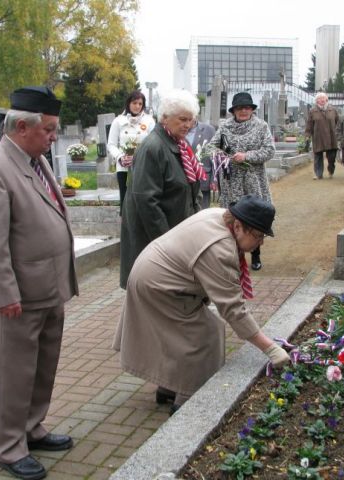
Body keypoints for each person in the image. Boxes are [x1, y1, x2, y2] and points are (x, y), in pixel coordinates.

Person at [0, 86, 77, 480]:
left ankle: (32, 427)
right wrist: (3, 294)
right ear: (20, 126)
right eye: (48, 130)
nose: (53, 138)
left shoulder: (35, 160)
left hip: (48, 289)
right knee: (14, 374)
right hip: (18, 297)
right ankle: (10, 447)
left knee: (43, 367)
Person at [113, 195, 290, 413]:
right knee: (206, 333)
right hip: (159, 285)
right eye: (258, 235)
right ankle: (188, 399)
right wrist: (270, 348)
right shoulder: (221, 249)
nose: (260, 242)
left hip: (152, 272)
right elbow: (233, 309)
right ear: (237, 226)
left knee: (179, 334)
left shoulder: (218, 215)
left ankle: (168, 388)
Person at [119, 89, 204, 289]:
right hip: (158, 244)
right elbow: (146, 201)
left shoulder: (180, 145)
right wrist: (168, 243)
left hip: (177, 236)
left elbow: (191, 187)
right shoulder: (154, 147)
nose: (188, 125)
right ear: (164, 118)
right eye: (182, 119)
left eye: (191, 120)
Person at [206, 92, 275, 271]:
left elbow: (269, 151)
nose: (243, 111)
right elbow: (211, 147)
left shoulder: (261, 126)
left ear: (252, 109)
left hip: (253, 179)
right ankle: (233, 256)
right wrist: (224, 156)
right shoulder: (225, 127)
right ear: (234, 111)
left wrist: (247, 156)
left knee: (254, 218)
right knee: (232, 217)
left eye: (246, 108)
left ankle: (256, 254)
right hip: (230, 181)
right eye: (239, 108)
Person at [107, 90, 156, 213]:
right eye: (134, 103)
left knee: (142, 197)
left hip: (142, 166)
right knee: (125, 197)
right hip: (124, 167)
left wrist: (138, 157)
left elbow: (153, 144)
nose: (137, 106)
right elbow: (111, 144)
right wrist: (120, 157)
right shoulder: (118, 121)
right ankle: (125, 227)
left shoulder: (149, 121)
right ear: (129, 103)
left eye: (140, 104)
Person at [305, 92, 340, 180]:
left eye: (323, 98)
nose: (321, 100)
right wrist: (307, 134)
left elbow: (338, 122)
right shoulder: (313, 111)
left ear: (326, 99)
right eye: (319, 99)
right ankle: (318, 174)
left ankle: (331, 170)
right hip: (318, 136)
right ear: (316, 101)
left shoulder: (333, 110)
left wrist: (338, 133)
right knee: (318, 156)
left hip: (331, 137)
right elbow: (309, 124)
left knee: (331, 156)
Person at [186, 120, 216, 208]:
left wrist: (214, 179)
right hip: (182, 180)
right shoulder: (176, 128)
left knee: (202, 213)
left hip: (203, 178)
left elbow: (215, 155)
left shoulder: (209, 130)